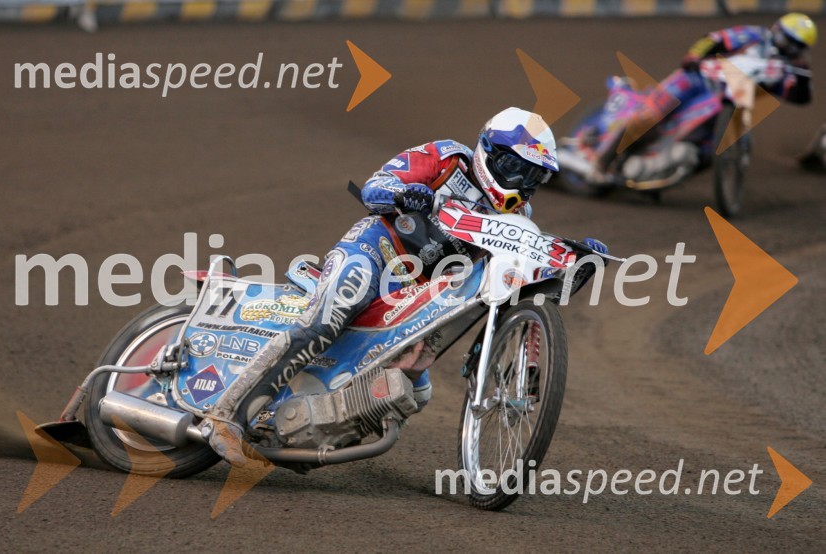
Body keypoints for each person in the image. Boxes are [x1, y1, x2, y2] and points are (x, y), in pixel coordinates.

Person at [204, 107, 608, 466]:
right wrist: (409, 194)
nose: (524, 183)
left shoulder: (521, 215)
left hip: (416, 295)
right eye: (518, 169)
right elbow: (375, 187)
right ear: (492, 153)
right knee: (323, 322)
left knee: (415, 388)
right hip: (376, 251)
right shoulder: (447, 158)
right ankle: (226, 416)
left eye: (535, 176)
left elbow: (503, 284)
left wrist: (572, 262)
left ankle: (305, 434)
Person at [597, 13, 817, 173]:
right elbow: (713, 39)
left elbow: (798, 98)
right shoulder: (753, 35)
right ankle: (601, 163)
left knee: (705, 154)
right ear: (777, 30)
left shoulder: (785, 68)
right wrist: (694, 56)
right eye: (785, 38)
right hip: (696, 79)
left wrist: (803, 80)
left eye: (795, 45)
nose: (788, 46)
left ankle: (658, 172)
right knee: (651, 116)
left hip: (728, 103)